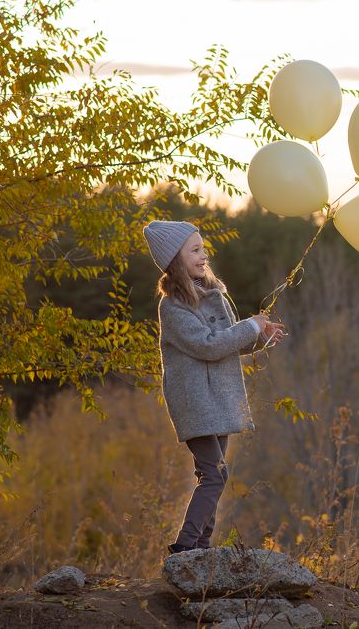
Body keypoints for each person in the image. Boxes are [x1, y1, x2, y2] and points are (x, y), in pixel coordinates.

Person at [142, 219, 286, 555]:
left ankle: (202, 549)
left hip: (217, 399)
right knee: (215, 475)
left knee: (213, 474)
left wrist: (260, 337)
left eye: (203, 248)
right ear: (174, 260)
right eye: (194, 250)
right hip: (196, 402)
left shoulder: (212, 295)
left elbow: (227, 343)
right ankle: (185, 548)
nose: (203, 255)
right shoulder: (173, 307)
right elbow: (207, 345)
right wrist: (249, 326)